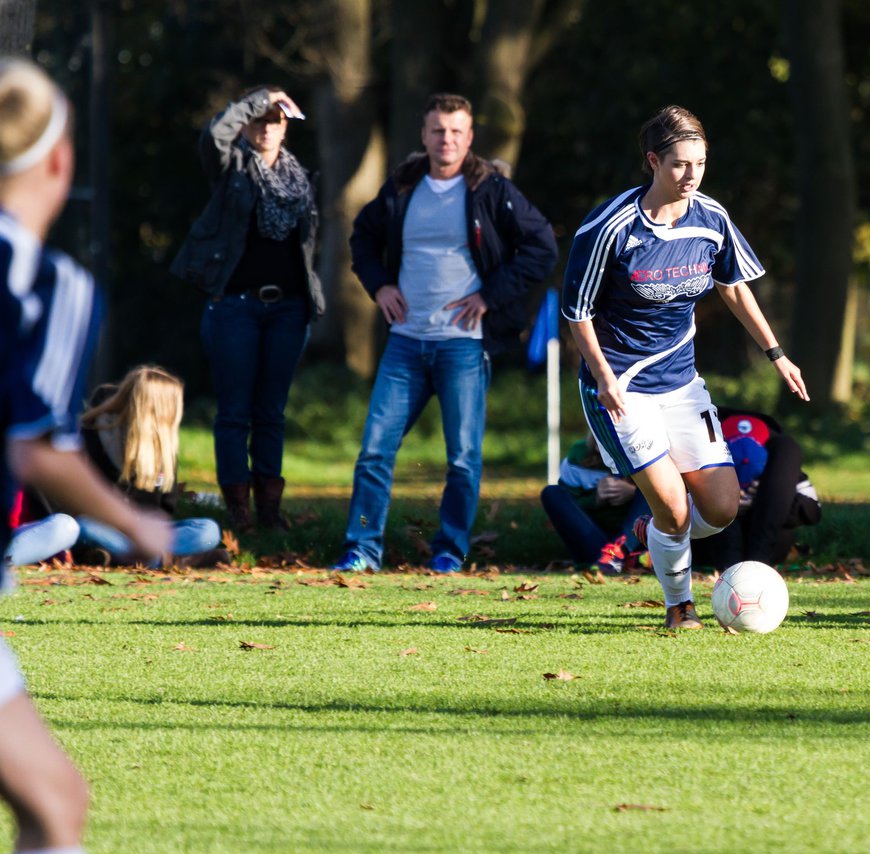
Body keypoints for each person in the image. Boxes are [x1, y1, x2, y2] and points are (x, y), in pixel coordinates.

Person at [0, 57, 171, 854]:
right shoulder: (49, 285)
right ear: (60, 160)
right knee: (55, 806)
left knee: (55, 796)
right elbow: (38, 450)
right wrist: (139, 525)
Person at [562, 105, 808, 629]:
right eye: (679, 164)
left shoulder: (711, 218)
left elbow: (732, 285)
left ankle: (649, 534)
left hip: (682, 384)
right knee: (673, 511)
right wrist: (604, 379)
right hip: (622, 389)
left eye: (699, 162)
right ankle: (681, 607)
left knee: (720, 509)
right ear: (653, 162)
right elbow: (577, 314)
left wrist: (777, 354)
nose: (691, 175)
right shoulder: (610, 228)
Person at [332, 93, 557, 573]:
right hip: (405, 343)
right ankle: (362, 549)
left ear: (470, 137)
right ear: (424, 134)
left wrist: (489, 296)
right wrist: (380, 285)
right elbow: (362, 238)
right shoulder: (402, 186)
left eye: (456, 131)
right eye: (438, 130)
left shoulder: (490, 188)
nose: (446, 139)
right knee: (374, 450)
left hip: (464, 345)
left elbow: (541, 246)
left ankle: (449, 552)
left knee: (462, 459)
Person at [171, 85, 323, 532]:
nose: (265, 128)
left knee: (271, 413)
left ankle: (270, 513)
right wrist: (259, 100)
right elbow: (213, 136)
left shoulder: (302, 180)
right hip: (235, 306)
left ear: (285, 130)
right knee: (234, 412)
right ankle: (238, 511)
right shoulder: (231, 169)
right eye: (258, 120)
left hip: (289, 310)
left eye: (274, 121)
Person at [691, 410, 821, 570]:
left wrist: (764, 498)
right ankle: (731, 563)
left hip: (768, 542)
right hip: (709, 543)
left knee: (787, 447)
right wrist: (721, 500)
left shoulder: (779, 456)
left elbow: (813, 510)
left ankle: (756, 560)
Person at [540, 434, 650, 573]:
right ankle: (613, 560)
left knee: (657, 491)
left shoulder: (647, 451)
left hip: (634, 542)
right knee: (551, 493)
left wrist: (633, 492)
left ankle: (621, 553)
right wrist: (595, 498)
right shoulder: (578, 455)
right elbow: (569, 511)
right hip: (594, 544)